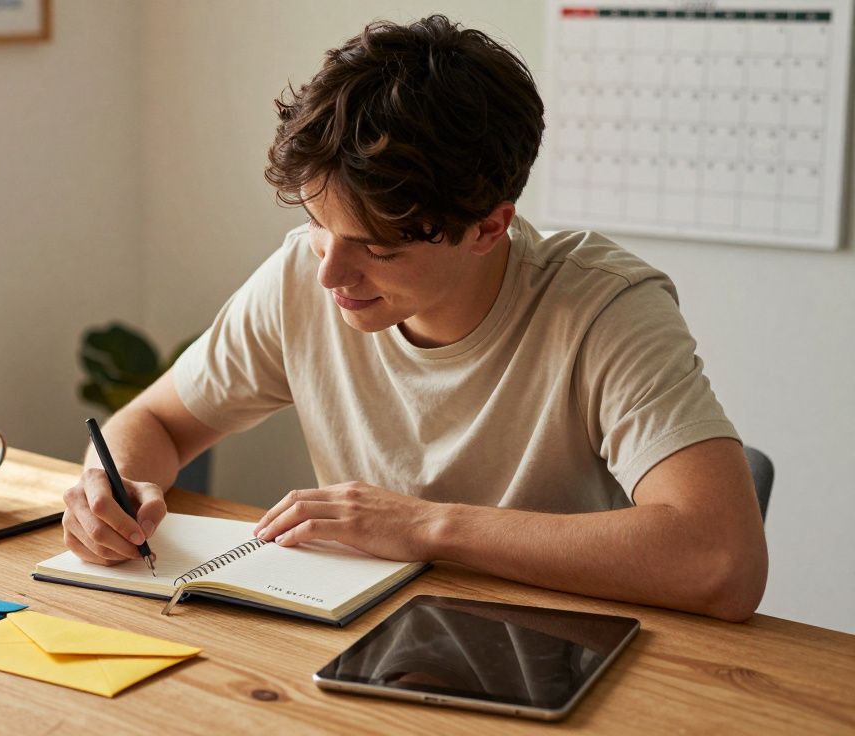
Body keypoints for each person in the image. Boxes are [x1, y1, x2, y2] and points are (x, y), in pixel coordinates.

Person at [61, 15, 767, 621]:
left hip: (558, 653)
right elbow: (156, 421)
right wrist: (110, 486)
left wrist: (428, 526)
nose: (331, 274)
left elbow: (722, 561)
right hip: (359, 634)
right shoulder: (302, 277)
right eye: (317, 224)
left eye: (378, 248)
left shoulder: (603, 309)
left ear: (489, 228)